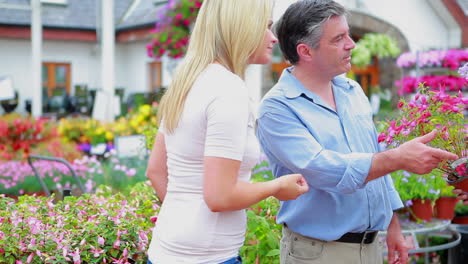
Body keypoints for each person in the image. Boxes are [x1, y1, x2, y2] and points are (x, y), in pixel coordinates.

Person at [255, 1, 459, 264]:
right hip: (319, 253)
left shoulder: (351, 91)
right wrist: (397, 158)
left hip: (371, 246)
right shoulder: (277, 109)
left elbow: (374, 159)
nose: (351, 44)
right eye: (339, 38)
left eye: (348, 34)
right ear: (305, 51)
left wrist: (393, 223)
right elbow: (326, 170)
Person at [145, 0, 309, 263]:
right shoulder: (228, 89)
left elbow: (155, 170)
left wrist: (186, 221)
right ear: (241, 28)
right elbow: (219, 196)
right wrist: (276, 186)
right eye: (266, 27)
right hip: (208, 257)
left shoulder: (187, 82)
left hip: (167, 249)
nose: (273, 38)